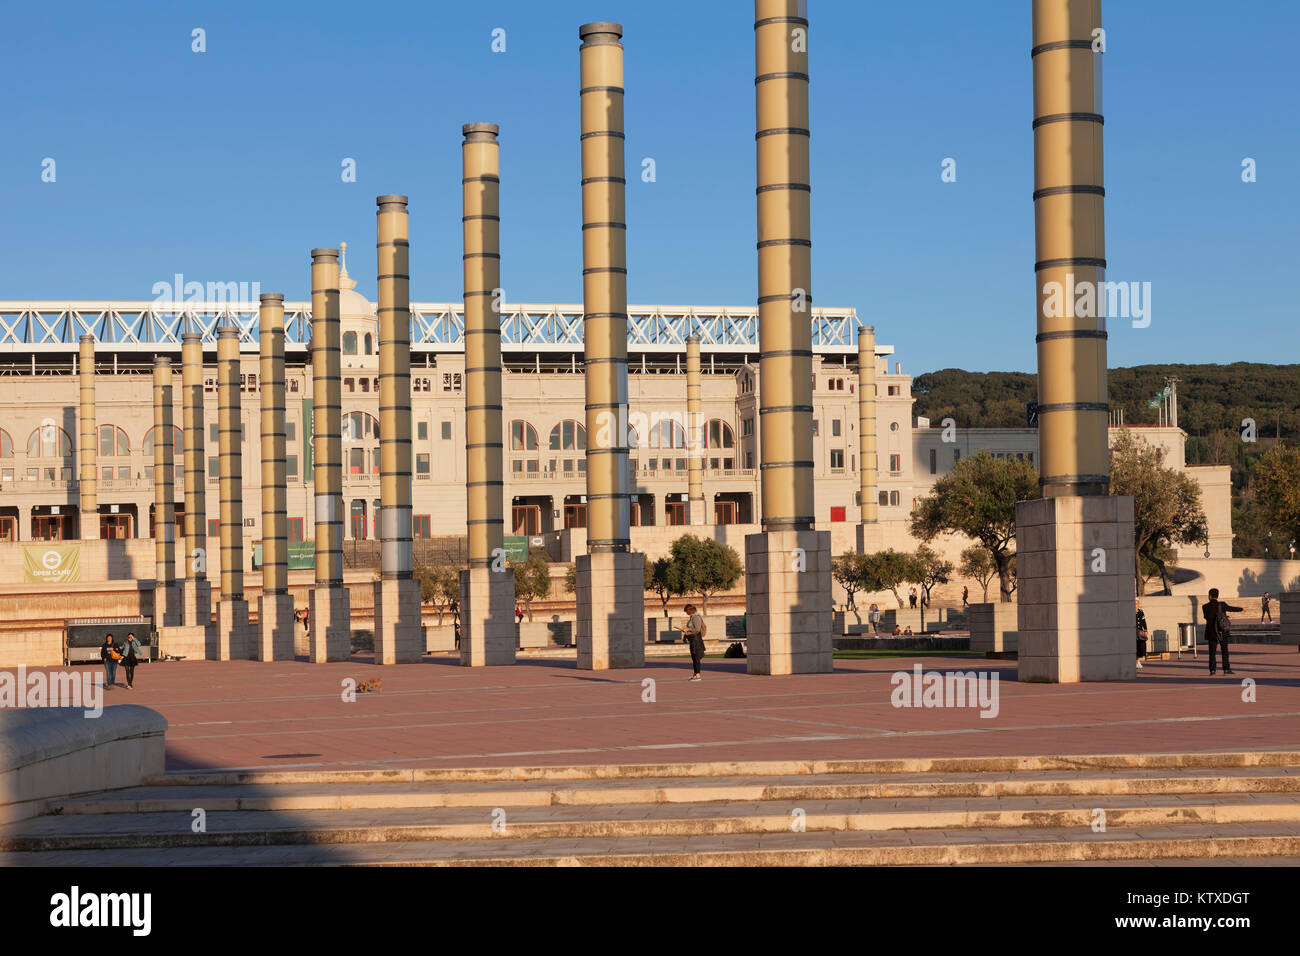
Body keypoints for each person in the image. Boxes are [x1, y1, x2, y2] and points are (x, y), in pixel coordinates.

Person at [1202, 587, 1242, 676]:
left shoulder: (1205, 607)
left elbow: (1206, 617)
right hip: (1221, 631)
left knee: (1212, 652)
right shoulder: (1222, 605)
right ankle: (1226, 669)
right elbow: (1231, 608)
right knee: (1224, 650)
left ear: (1209, 596)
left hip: (1211, 632)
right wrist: (1242, 609)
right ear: (1217, 596)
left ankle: (1212, 670)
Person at [682, 603, 706, 681]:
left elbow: (697, 629)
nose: (686, 613)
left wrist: (688, 629)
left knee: (696, 658)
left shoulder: (696, 617)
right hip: (692, 639)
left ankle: (698, 675)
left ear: (689, 611)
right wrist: (685, 635)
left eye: (686, 611)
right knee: (694, 658)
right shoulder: (692, 617)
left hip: (696, 640)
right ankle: (695, 674)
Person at [1135, 599, 1148, 670]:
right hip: (1132, 632)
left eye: (1137, 603)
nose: (1136, 605)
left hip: (1140, 632)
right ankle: (1135, 661)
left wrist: (1145, 630)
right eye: (1134, 603)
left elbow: (1143, 621)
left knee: (1142, 646)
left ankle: (1138, 660)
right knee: (1135, 646)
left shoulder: (1141, 611)